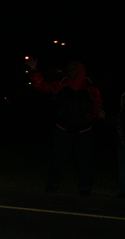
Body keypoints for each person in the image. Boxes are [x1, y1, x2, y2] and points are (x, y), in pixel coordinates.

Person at [26, 58, 104, 196]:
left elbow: (98, 109)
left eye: (74, 69)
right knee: (58, 158)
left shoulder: (91, 89)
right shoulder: (61, 86)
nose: (70, 71)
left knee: (84, 160)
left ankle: (85, 187)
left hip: (84, 131)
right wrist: (34, 70)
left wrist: (88, 119)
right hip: (63, 129)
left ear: (80, 71)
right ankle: (52, 184)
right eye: (69, 68)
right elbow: (41, 86)